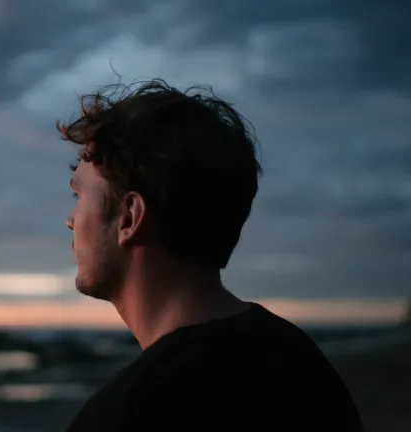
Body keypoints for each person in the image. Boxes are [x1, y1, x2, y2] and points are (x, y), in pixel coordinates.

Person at [59, 79, 363, 431]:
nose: (71, 220)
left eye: (80, 195)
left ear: (129, 217)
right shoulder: (302, 364)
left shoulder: (127, 414)